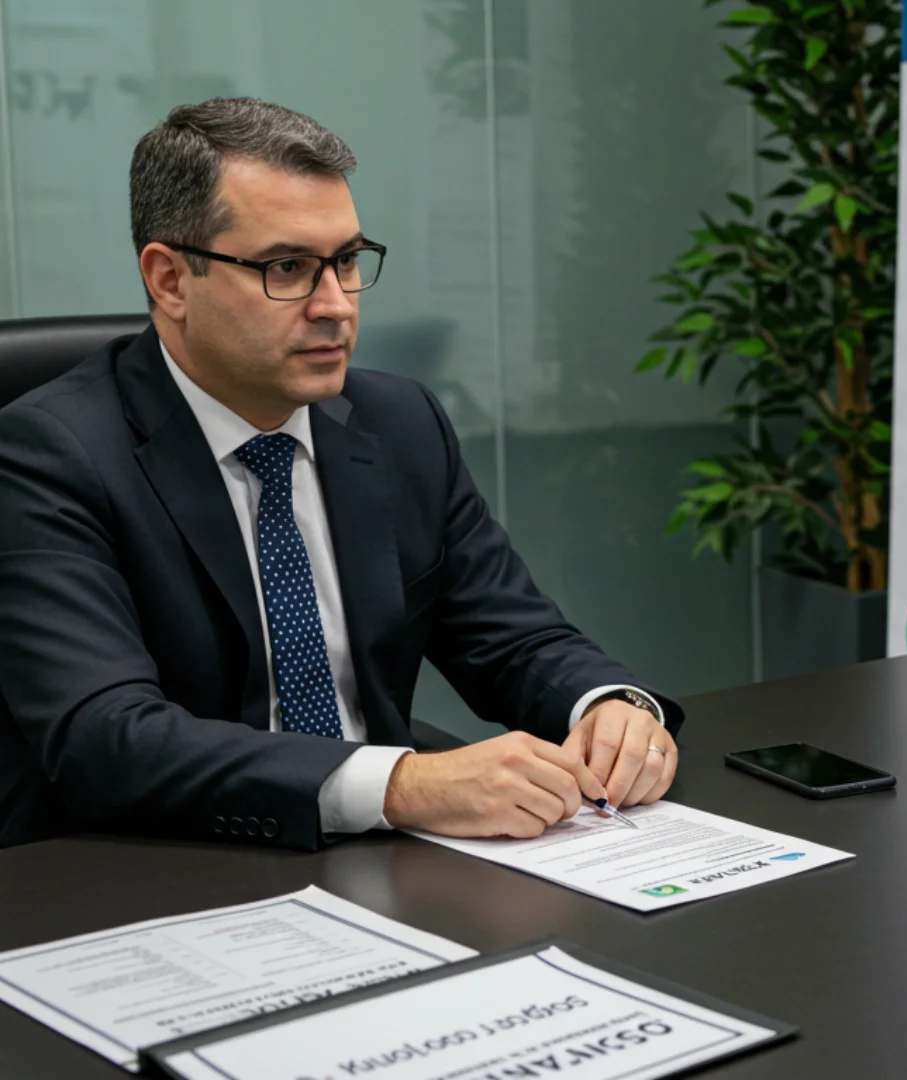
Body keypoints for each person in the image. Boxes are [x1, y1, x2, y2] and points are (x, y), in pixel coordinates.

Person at [0, 98, 682, 851]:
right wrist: (400, 785)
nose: (336, 307)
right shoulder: (48, 456)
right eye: (287, 268)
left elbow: (514, 640)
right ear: (170, 280)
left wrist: (606, 706)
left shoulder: (400, 422)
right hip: (158, 864)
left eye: (348, 261)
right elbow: (106, 738)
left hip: (388, 858)